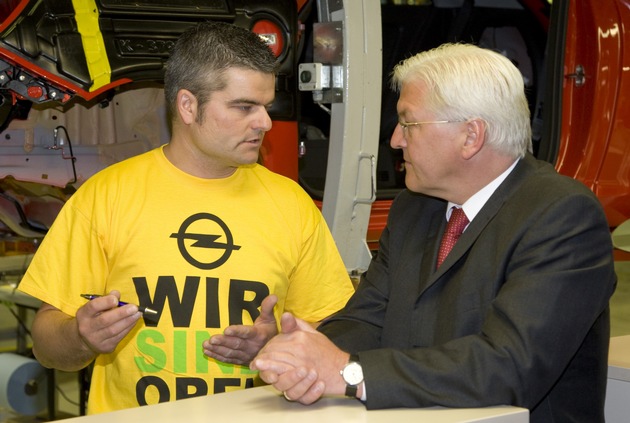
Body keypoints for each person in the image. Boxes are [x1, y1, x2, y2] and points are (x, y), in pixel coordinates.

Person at [250, 43, 617, 423]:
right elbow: (368, 319)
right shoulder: (415, 208)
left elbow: (510, 367)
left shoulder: (560, 216)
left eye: (408, 124)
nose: (395, 140)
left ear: (471, 136)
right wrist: (301, 349)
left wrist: (348, 373)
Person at [17, 21, 354, 414]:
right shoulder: (106, 196)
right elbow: (46, 345)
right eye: (244, 107)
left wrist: (275, 344)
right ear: (188, 105)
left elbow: (336, 339)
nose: (264, 122)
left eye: (265, 106)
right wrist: (82, 336)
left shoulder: (292, 205)